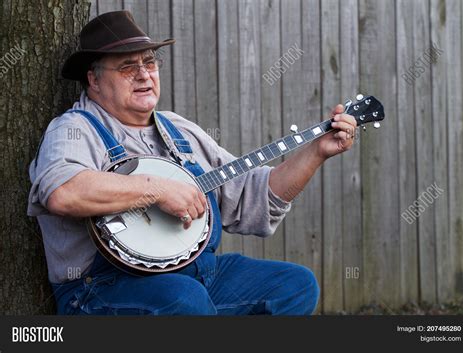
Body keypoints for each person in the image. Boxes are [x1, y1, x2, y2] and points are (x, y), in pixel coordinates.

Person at [28, 10, 357, 315]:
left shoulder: (178, 129)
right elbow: (62, 191)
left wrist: (316, 152)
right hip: (101, 288)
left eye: (150, 62)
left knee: (295, 287)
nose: (144, 74)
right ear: (94, 80)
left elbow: (253, 195)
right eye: (127, 67)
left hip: (200, 275)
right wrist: (157, 190)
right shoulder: (75, 129)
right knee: (186, 300)